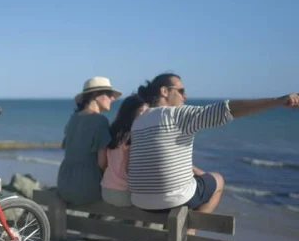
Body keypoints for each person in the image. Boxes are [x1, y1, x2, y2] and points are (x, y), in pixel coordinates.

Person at [128, 73, 299, 213]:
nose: (185, 95)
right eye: (181, 90)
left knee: (197, 177)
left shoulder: (139, 120)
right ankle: (189, 236)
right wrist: (278, 101)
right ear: (164, 91)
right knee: (218, 180)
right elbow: (227, 110)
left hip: (140, 200)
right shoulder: (176, 115)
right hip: (172, 200)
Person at [57, 76, 121, 206]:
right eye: (109, 94)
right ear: (97, 95)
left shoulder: (73, 119)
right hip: (86, 189)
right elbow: (102, 163)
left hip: (64, 184)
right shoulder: (100, 121)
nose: (112, 98)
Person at [101, 94, 148, 207]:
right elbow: (129, 169)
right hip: (123, 194)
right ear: (131, 113)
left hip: (106, 190)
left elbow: (104, 164)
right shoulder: (134, 136)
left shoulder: (114, 132)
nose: (146, 115)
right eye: (142, 111)